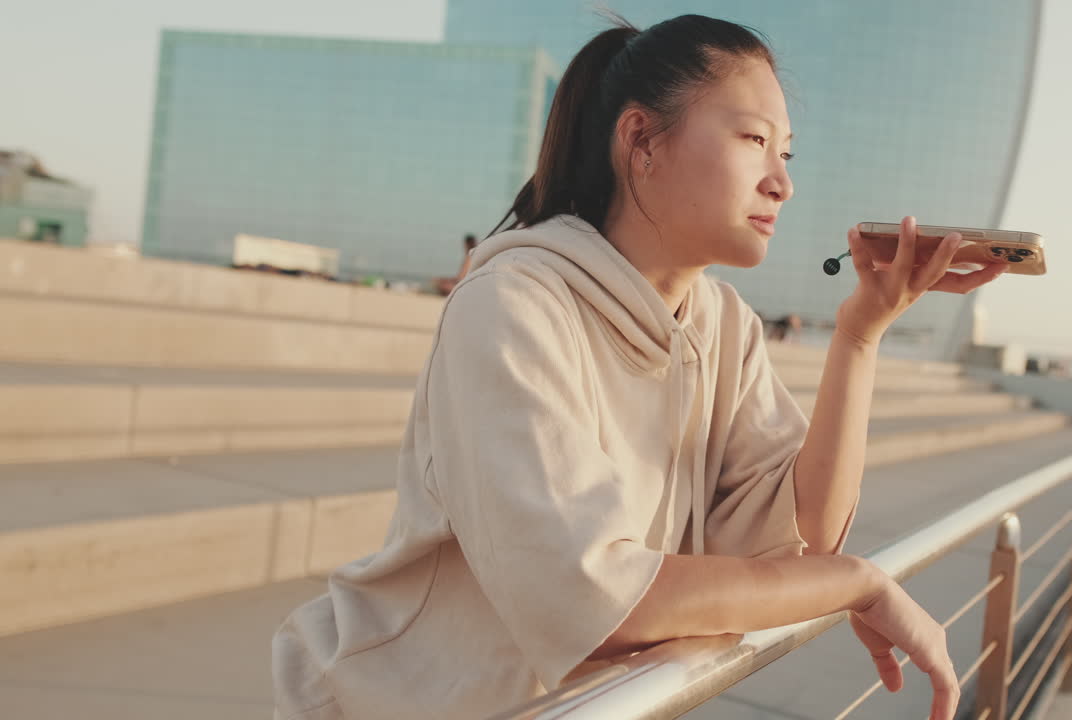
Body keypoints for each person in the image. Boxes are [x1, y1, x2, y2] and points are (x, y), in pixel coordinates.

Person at [272, 14, 1006, 720]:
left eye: (788, 152)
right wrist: (854, 582)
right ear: (641, 140)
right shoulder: (512, 305)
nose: (782, 182)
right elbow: (590, 598)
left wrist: (859, 339)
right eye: (754, 139)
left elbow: (809, 535)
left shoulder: (722, 324)